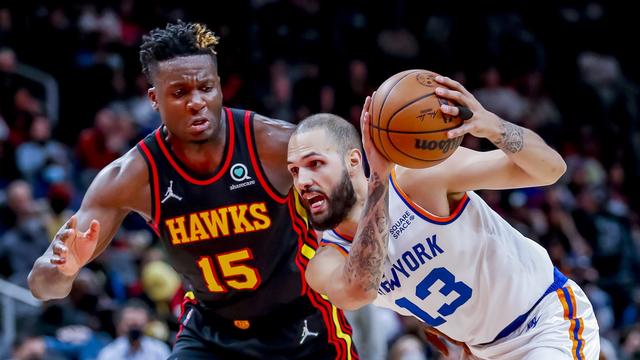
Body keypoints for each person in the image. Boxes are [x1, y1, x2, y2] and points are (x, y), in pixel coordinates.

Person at [28, 21, 357, 359]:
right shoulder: (132, 176)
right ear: (155, 98)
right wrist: (63, 270)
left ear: (219, 87)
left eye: (205, 87)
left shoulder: (275, 144)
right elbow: (41, 285)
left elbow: (358, 197)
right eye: (180, 92)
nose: (197, 101)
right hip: (212, 332)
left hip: (299, 322)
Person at [286, 75, 600, 359]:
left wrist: (491, 125)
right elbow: (360, 289)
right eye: (295, 171)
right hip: (485, 352)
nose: (302, 181)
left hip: (545, 321)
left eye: (315, 164)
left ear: (353, 160)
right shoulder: (325, 262)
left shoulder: (418, 179)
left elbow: (551, 169)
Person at [97, 300, 170, 360]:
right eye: (130, 325)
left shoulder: (160, 350)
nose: (135, 330)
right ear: (120, 325)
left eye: (138, 325)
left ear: (147, 324)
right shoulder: (109, 353)